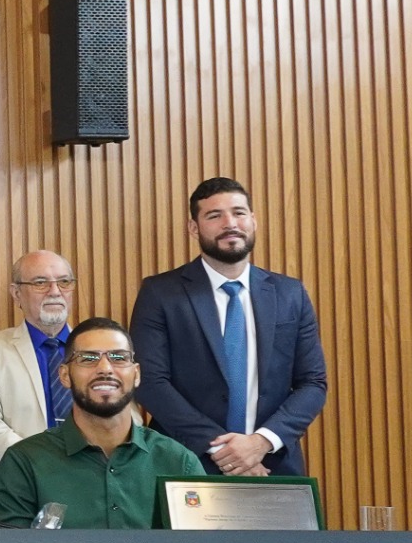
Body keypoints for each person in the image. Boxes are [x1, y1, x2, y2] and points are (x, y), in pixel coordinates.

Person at [130, 177, 328, 476]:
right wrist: (226, 451)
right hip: (187, 463)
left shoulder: (290, 294)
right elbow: (150, 381)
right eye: (214, 215)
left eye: (239, 213)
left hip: (272, 464)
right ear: (194, 228)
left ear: (253, 220)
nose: (229, 223)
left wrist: (261, 442)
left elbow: (313, 383)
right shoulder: (161, 293)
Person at [0, 318, 204, 528]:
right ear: (64, 375)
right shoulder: (24, 463)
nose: (105, 369)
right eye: (88, 359)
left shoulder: (179, 463)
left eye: (118, 357)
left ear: (136, 374)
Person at [0, 251, 77, 515]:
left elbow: (127, 419)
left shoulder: (98, 347)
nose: (54, 291)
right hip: (19, 487)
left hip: (90, 484)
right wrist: (41, 467)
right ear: (16, 293)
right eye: (40, 283)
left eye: (64, 282)